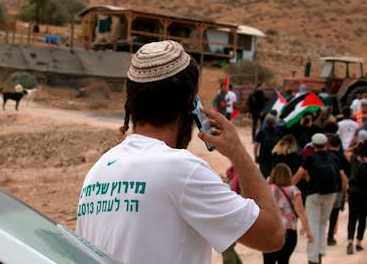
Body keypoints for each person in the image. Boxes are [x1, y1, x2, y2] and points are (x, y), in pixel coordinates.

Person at [75, 40, 284, 264]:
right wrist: (239, 155)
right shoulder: (182, 170)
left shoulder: (98, 172)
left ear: (132, 104)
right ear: (189, 106)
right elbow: (272, 236)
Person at [291, 133, 348, 264]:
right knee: (323, 222)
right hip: (331, 193)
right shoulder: (333, 157)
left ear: (313, 144)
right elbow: (343, 178)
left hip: (314, 194)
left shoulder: (310, 158)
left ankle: (313, 257)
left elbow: (298, 175)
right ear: (325, 144)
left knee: (313, 224)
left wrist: (287, 186)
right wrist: (344, 194)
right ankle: (321, 251)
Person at [263, 163, 314, 264]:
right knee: (284, 260)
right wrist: (308, 232)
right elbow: (301, 212)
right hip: (289, 231)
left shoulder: (267, 189)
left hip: (271, 229)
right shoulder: (294, 190)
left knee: (268, 261)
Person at [345, 140, 367, 254]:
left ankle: (350, 241)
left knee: (352, 217)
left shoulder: (355, 158)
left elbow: (346, 152)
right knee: (363, 217)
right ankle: (359, 242)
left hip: (354, 191)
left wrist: (356, 146)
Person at [327, 135, 349, 247]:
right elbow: (346, 175)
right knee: (334, 214)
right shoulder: (342, 157)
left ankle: (319, 235)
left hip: (324, 188)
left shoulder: (325, 155)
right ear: (339, 145)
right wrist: (345, 193)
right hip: (337, 188)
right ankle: (330, 237)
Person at [254, 114, 282, 179]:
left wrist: (256, 156)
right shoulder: (278, 132)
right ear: (275, 122)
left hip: (263, 157)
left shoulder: (262, 131)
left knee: (263, 178)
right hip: (274, 157)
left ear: (266, 122)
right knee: (273, 178)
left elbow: (256, 146)